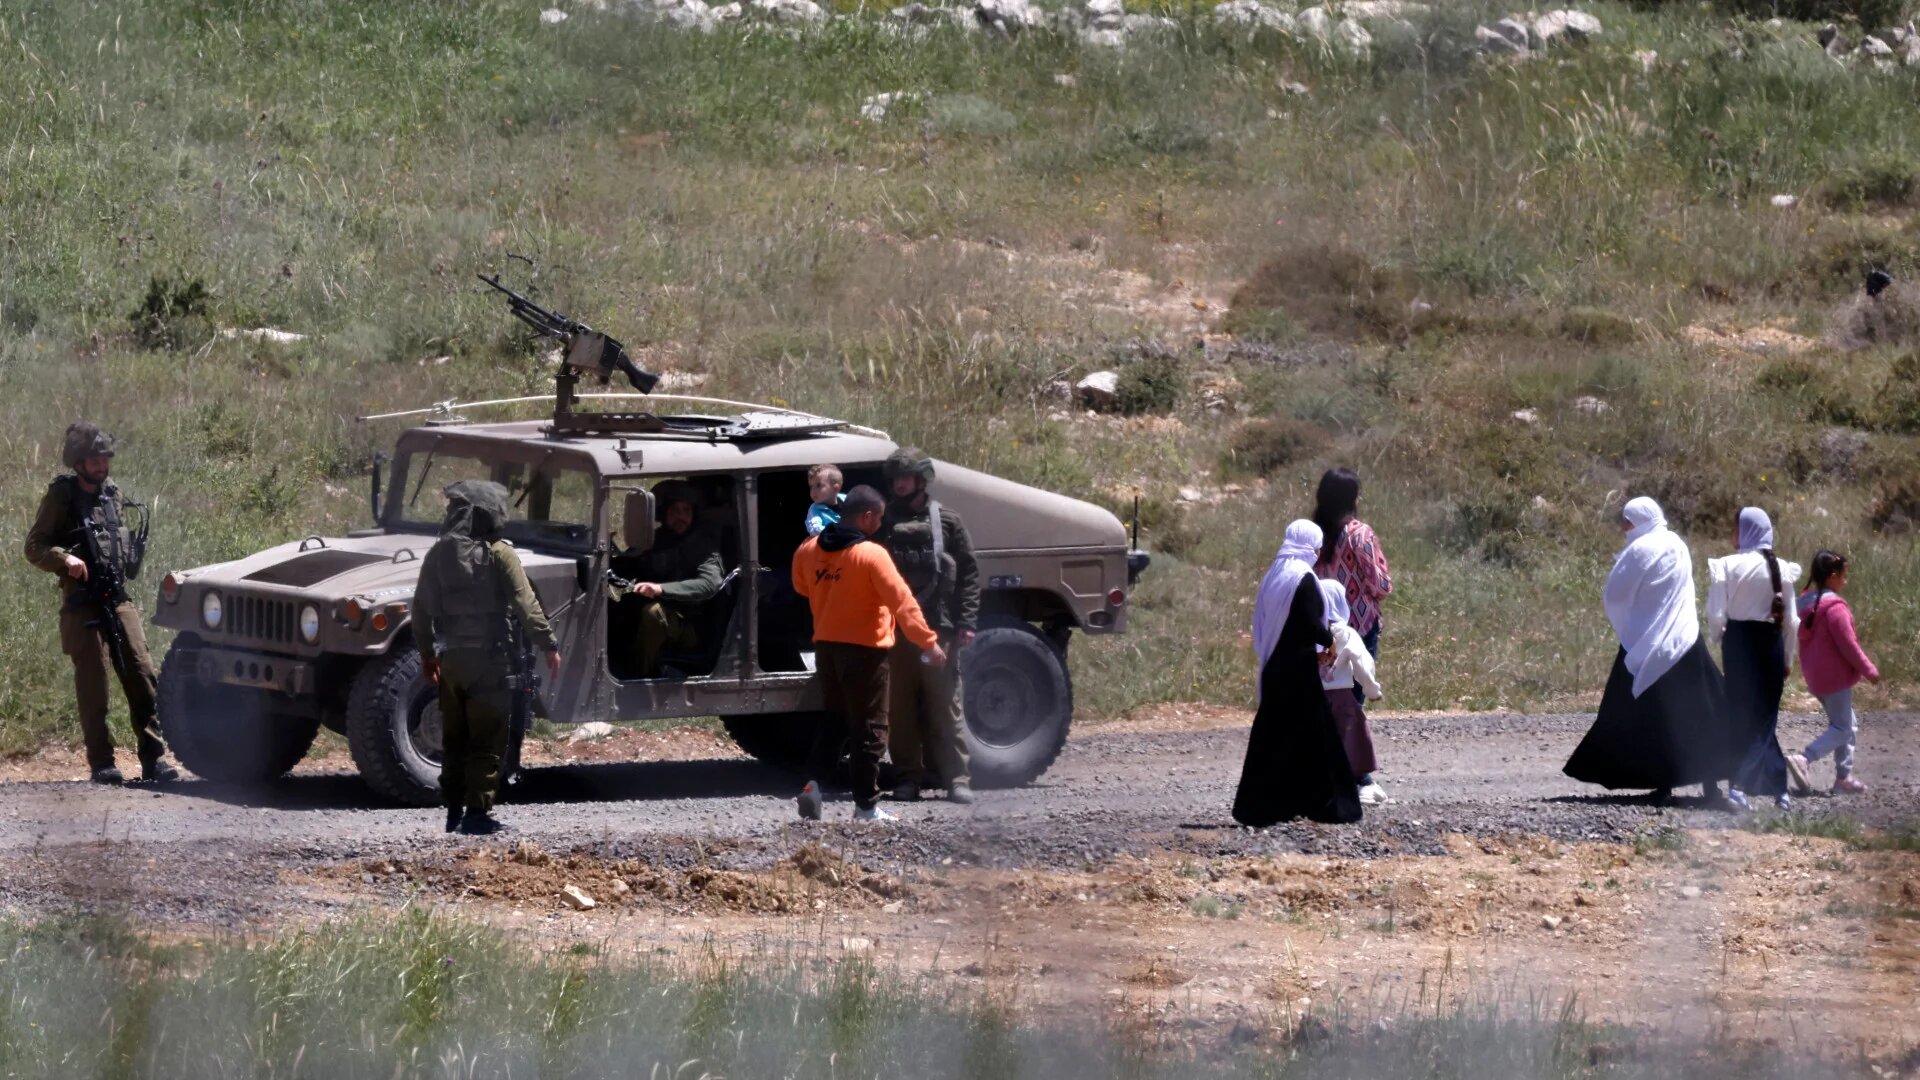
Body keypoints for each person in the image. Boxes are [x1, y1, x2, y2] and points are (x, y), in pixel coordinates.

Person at [23, 422, 180, 786]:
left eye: (104, 458)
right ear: (77, 462)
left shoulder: (113, 494)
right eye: (93, 459)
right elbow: (34, 547)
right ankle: (102, 762)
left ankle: (154, 759)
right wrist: (65, 560)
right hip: (81, 601)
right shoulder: (62, 496)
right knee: (93, 683)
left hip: (117, 596)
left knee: (142, 672)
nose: (101, 465)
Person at [413, 480, 562, 835]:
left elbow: (420, 609)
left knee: (454, 736)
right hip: (491, 663)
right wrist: (549, 644)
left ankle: (452, 809)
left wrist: (426, 654)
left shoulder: (438, 555)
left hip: (451, 662)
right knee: (487, 738)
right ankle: (477, 814)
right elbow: (526, 604)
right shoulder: (500, 553)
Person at [1564, 497, 1735, 805]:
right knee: (1703, 711)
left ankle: (1662, 783)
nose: (1624, 528)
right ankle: (1711, 783)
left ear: (1639, 521)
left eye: (1628, 522)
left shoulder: (1640, 549)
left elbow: (1615, 596)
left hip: (1645, 641)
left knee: (1645, 716)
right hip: (1684, 639)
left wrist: (1629, 622)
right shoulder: (1677, 544)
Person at [791, 485, 947, 823]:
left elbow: (801, 586)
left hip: (826, 650)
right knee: (871, 729)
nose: (879, 523)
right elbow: (903, 603)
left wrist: (832, 591)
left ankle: (811, 789)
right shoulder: (871, 555)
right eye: (877, 517)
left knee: (834, 722)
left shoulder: (808, 549)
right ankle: (866, 806)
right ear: (866, 516)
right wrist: (928, 642)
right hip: (865, 653)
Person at [1232, 520, 1362, 827]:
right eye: (1316, 547)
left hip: (1277, 666)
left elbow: (1274, 625)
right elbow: (1309, 622)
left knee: (1274, 736)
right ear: (1308, 546)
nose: (1318, 552)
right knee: (1318, 736)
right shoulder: (1301, 578)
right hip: (1298, 674)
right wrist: (1330, 642)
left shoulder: (1274, 576)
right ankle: (1332, 805)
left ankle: (1260, 807)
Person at [880, 448, 981, 805]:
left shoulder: (948, 521)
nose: (899, 484)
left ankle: (957, 778)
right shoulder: (882, 522)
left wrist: (967, 622)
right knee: (900, 709)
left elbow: (968, 573)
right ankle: (908, 778)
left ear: (922, 479)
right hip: (897, 631)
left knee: (945, 706)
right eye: (895, 478)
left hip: (940, 630)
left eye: (905, 477)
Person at [1707, 507, 1800, 812]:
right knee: (1765, 717)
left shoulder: (1726, 565)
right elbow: (1792, 621)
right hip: (1769, 642)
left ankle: (1740, 785)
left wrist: (1719, 637)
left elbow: (1716, 615)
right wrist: (1787, 656)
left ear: (1744, 531)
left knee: (1744, 714)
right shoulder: (1782, 568)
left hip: (1738, 643)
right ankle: (1777, 789)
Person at [1787, 550, 1880, 796]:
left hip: (1816, 677)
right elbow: (1849, 646)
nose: (1845, 581)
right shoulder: (1834, 609)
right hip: (1835, 678)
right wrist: (1868, 670)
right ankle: (1805, 758)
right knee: (1843, 727)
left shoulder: (1803, 605)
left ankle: (1843, 778)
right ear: (1832, 576)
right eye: (1843, 575)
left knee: (1847, 723)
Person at [612, 479, 724, 678]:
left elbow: (710, 583)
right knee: (612, 609)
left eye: (686, 510)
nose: (680, 517)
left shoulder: (704, 546)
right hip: (657, 615)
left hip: (689, 623)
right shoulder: (653, 540)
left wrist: (660, 589)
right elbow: (623, 568)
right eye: (675, 510)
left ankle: (637, 678)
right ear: (664, 513)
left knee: (654, 614)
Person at [1317, 578, 1386, 806]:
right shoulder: (1346, 634)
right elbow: (1362, 665)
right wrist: (1372, 690)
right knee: (1353, 741)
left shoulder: (1306, 634)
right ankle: (1364, 784)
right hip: (1341, 699)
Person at [805, 464, 845, 537]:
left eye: (819, 485)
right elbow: (815, 530)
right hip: (830, 543)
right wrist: (838, 533)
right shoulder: (815, 509)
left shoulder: (847, 500)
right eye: (811, 486)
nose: (813, 491)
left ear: (836, 487)